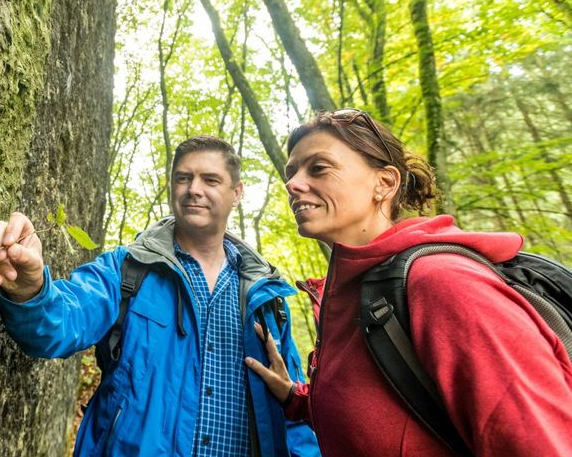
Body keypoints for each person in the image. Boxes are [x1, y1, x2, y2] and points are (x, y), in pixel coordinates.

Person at [245, 109, 572, 456]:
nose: (292, 184)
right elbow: (380, 416)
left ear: (384, 183)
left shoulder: (442, 284)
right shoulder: (346, 295)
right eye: (291, 172)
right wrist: (296, 400)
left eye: (319, 168)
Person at [0, 136, 320, 456]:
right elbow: (59, 323)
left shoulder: (267, 300)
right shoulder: (128, 269)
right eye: (183, 178)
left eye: (211, 180)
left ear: (237, 192)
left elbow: (292, 411)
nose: (194, 190)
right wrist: (30, 287)